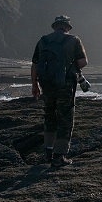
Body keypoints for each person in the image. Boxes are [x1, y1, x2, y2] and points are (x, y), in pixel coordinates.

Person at [31, 15, 88, 167]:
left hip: (46, 85)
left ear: (54, 26)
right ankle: (59, 156)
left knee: (49, 116)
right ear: (67, 28)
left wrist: (34, 85)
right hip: (65, 85)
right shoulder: (74, 40)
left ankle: (48, 153)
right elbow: (83, 62)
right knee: (65, 119)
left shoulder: (43, 41)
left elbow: (35, 64)